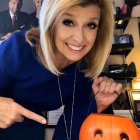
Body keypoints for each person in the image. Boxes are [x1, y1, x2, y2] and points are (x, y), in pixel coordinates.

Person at [0, 0, 123, 140]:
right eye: (68, 22)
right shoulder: (18, 48)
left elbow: (71, 128)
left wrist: (97, 103)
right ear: (51, 21)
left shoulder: (83, 71)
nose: (79, 38)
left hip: (31, 132)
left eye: (91, 25)